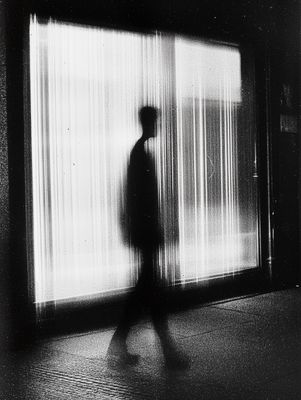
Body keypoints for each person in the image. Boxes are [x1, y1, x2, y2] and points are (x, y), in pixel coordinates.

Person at [107, 106, 189, 370]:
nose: (158, 126)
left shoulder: (140, 152)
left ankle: (123, 345)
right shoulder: (140, 154)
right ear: (148, 122)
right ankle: (167, 353)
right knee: (149, 292)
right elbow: (139, 199)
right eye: (156, 121)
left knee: (146, 291)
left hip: (144, 232)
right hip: (146, 233)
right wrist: (150, 231)